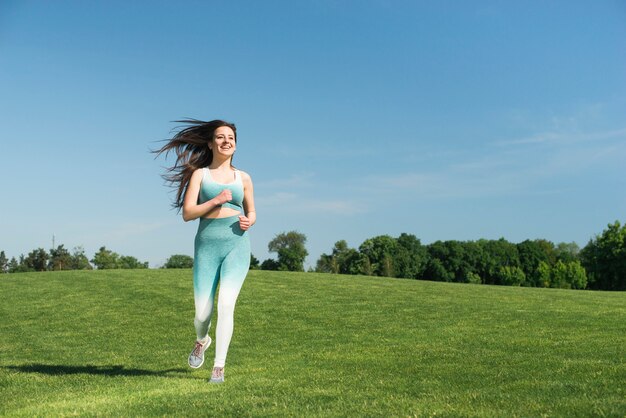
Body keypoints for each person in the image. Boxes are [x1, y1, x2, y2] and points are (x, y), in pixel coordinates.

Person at [156, 119, 256, 383]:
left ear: (236, 145)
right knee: (202, 313)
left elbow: (252, 210)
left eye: (231, 138)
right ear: (211, 143)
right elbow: (188, 213)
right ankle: (202, 340)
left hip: (236, 243)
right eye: (221, 137)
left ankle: (219, 368)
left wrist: (250, 220)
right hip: (207, 246)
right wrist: (216, 200)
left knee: (226, 305)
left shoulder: (243, 177)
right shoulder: (200, 175)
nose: (226, 141)